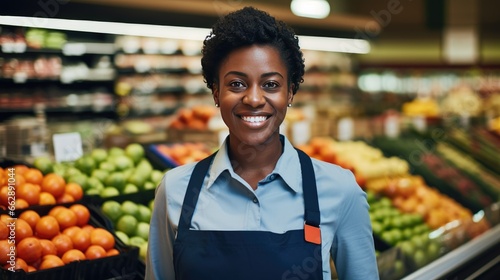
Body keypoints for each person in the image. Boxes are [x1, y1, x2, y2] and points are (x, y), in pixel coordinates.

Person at [146, 6, 379, 280]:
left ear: (290, 92)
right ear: (216, 92)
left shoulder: (339, 190)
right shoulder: (175, 190)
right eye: (236, 84)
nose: (254, 99)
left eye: (270, 84)